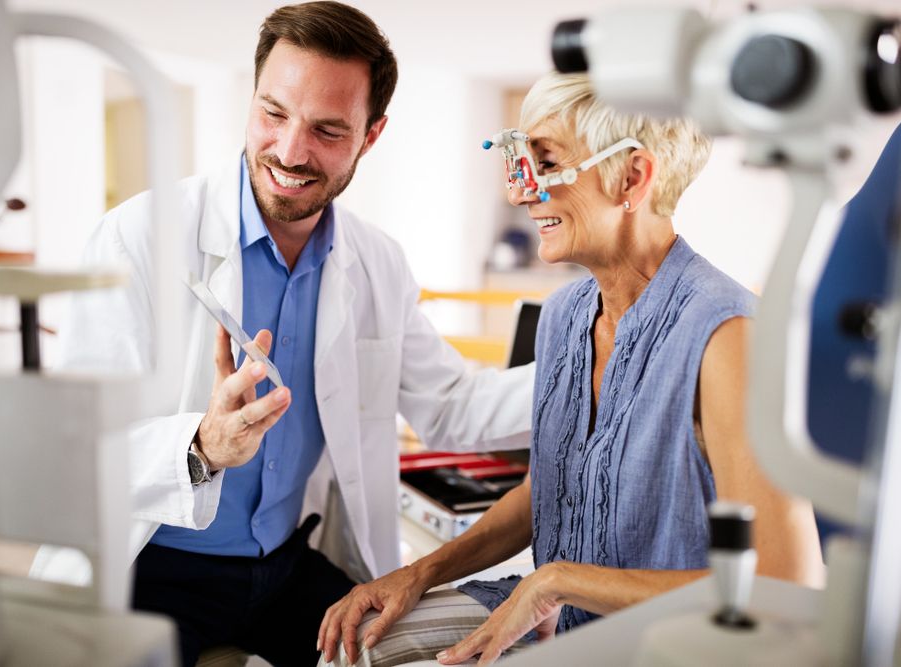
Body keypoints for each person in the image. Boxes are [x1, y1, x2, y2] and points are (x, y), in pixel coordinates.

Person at [37, 3, 533, 666]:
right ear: (251, 101)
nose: (292, 151)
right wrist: (202, 446)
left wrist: (601, 379)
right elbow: (75, 449)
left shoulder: (376, 262)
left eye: (328, 129)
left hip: (288, 566)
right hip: (150, 569)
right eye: (273, 113)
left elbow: (449, 405)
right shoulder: (138, 237)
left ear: (371, 135)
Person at [317, 72, 825, 666]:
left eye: (546, 161)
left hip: (666, 644)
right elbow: (551, 492)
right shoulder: (565, 315)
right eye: (520, 163)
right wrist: (418, 573)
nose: (521, 194)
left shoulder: (729, 335)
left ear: (632, 176)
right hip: (556, 619)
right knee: (355, 651)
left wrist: (557, 581)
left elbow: (785, 587)